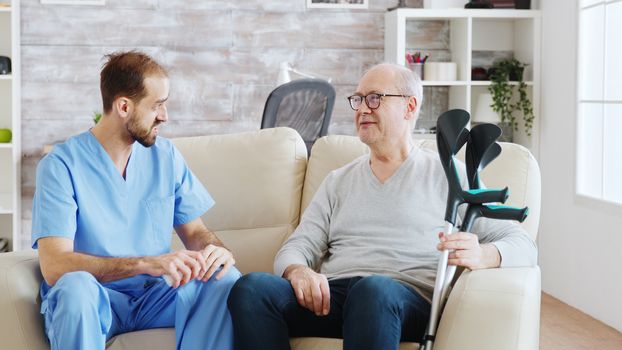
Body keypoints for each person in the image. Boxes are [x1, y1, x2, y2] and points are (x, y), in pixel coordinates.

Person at [227, 63, 537, 350]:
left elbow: (523, 243)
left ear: (409, 106)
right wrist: (298, 271)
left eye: (374, 98)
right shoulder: (338, 181)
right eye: (358, 100)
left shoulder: (448, 175)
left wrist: (483, 254)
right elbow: (298, 246)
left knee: (373, 290)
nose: (362, 108)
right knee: (251, 288)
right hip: (336, 298)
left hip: (403, 299)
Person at [32, 51, 240, 350]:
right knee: (75, 287)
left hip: (154, 297)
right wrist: (145, 264)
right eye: (157, 105)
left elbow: (195, 233)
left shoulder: (165, 157)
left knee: (223, 278)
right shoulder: (61, 166)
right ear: (124, 106)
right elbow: (54, 265)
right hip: (95, 297)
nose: (165, 116)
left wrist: (216, 252)